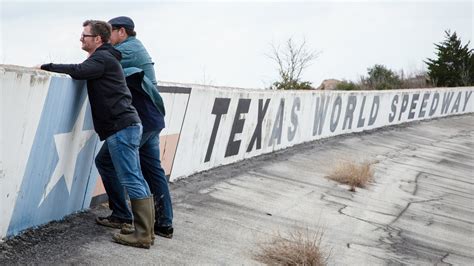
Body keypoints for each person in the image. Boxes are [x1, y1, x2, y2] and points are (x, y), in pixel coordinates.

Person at [39, 20, 154, 249]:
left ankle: (143, 234)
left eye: (85, 35)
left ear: (98, 39)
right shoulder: (104, 57)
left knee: (132, 177)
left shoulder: (102, 58)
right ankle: (123, 216)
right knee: (109, 164)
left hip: (121, 127)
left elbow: (79, 72)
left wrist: (45, 66)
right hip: (124, 126)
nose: (81, 39)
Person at [94, 16, 174, 239]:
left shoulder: (127, 49)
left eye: (110, 33)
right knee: (152, 170)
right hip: (152, 118)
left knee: (110, 163)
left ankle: (124, 215)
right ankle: (164, 224)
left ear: (122, 32)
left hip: (140, 119)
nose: (107, 39)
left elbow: (97, 64)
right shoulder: (134, 47)